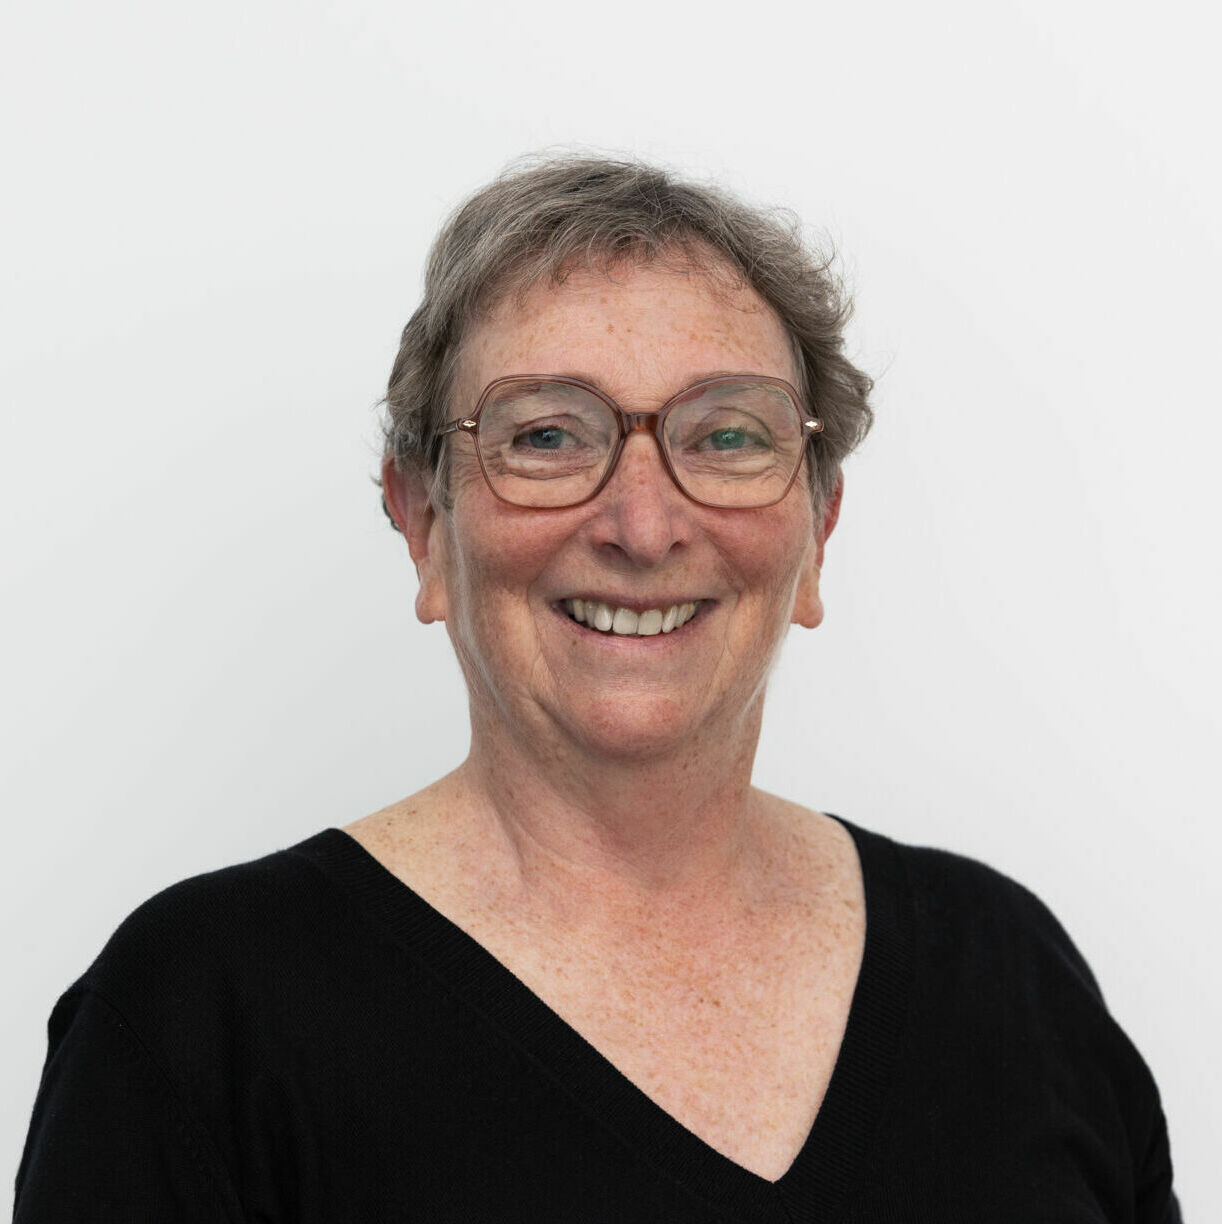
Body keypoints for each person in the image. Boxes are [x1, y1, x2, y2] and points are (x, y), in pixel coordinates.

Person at [14, 155, 1181, 1222]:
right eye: (547, 437)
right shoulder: (198, 1018)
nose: (642, 524)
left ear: (817, 531)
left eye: (726, 437)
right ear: (422, 523)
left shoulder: (1010, 978)